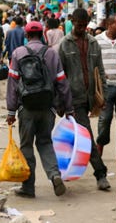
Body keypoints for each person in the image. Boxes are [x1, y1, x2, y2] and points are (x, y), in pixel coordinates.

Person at [7, 21, 74, 198]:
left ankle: (28, 188)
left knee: (26, 146)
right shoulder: (52, 53)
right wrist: (68, 109)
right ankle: (54, 175)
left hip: (26, 107)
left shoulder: (18, 53)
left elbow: (12, 84)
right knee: (45, 142)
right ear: (43, 34)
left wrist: (11, 111)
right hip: (47, 107)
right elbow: (62, 83)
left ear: (27, 35)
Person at [59, 8, 111, 191]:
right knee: (86, 136)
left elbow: (100, 71)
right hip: (74, 98)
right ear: (72, 21)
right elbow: (60, 76)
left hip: (91, 96)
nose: (81, 28)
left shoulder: (93, 43)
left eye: (84, 25)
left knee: (77, 138)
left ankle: (63, 170)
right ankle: (101, 173)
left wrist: (102, 95)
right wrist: (61, 102)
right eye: (78, 25)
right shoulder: (64, 44)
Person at [95, 14, 116, 157]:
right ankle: (100, 145)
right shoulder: (97, 41)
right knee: (104, 119)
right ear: (109, 24)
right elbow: (94, 63)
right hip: (106, 87)